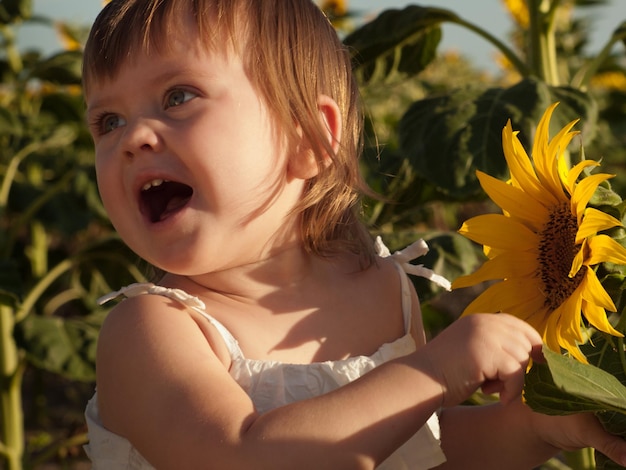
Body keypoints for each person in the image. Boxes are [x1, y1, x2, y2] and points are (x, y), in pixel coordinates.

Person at [82, 0, 626, 468]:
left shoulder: (385, 292)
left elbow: (419, 449)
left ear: (311, 140)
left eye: (177, 96)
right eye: (108, 121)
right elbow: (241, 457)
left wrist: (536, 429)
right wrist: (435, 370)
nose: (133, 138)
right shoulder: (151, 332)